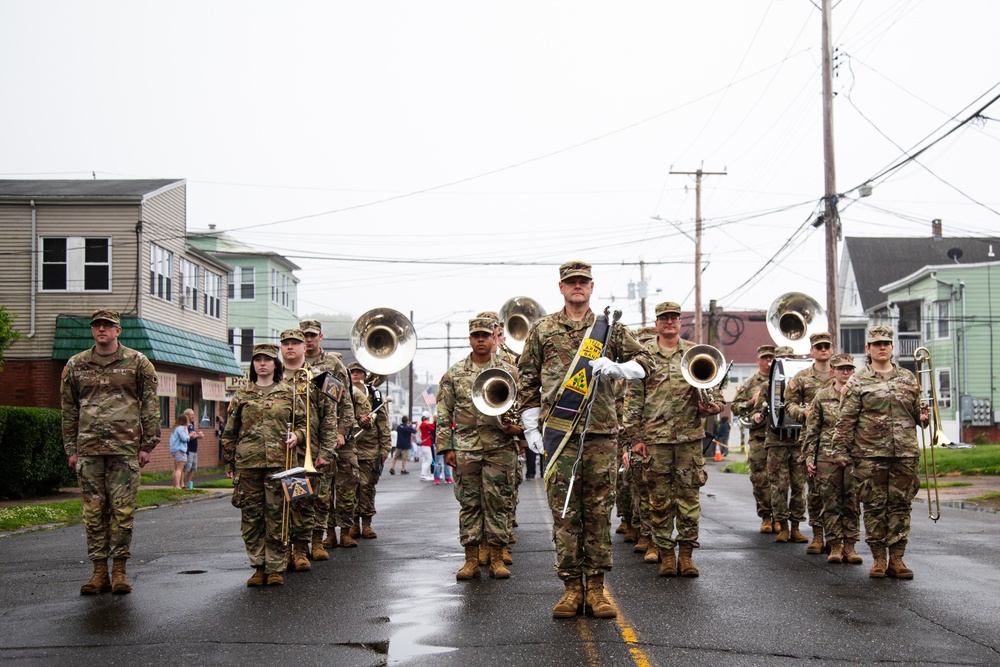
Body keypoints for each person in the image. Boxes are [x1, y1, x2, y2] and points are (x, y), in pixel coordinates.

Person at [517, 260, 652, 619]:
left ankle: (596, 589)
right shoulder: (542, 329)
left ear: (592, 287)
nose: (577, 287)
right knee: (564, 514)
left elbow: (646, 362)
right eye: (570, 282)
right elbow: (527, 379)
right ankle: (570, 589)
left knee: (597, 513)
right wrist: (531, 425)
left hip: (601, 433)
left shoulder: (609, 329)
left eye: (583, 282)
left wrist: (620, 367)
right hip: (560, 434)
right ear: (561, 287)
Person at [62, 309, 161, 595]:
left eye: (108, 326)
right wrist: (71, 448)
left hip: (124, 449)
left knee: (122, 511)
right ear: (92, 331)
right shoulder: (76, 365)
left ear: (118, 330)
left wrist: (147, 445)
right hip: (89, 450)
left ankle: (119, 571)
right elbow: (68, 410)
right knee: (94, 513)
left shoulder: (137, 363)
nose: (102, 329)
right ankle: (98, 573)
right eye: (97, 326)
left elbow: (150, 405)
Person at [625, 301, 723, 577]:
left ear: (680, 322)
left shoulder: (695, 353)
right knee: (659, 500)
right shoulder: (644, 358)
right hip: (655, 440)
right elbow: (633, 401)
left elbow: (713, 392)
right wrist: (634, 438)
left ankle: (687, 556)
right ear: (656, 323)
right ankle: (667, 555)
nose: (669, 322)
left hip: (690, 438)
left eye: (674, 318)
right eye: (664, 318)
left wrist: (713, 407)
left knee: (689, 500)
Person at [832, 326, 928, 579]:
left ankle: (897, 559)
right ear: (868, 349)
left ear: (892, 347)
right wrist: (840, 451)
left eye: (886, 342)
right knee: (874, 506)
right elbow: (846, 420)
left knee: (901, 505)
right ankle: (878, 559)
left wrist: (925, 416)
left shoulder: (908, 378)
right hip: (869, 455)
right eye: (876, 344)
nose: (882, 347)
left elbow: (920, 416)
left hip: (905, 453)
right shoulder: (858, 380)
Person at [437, 317, 522, 580]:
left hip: (500, 447)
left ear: (494, 337)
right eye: (476, 335)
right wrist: (446, 447)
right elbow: (443, 410)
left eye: (486, 335)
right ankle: (471, 560)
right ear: (470, 339)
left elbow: (524, 405)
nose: (481, 339)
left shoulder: (509, 370)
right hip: (466, 448)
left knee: (498, 502)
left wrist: (519, 429)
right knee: (470, 503)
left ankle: (497, 558)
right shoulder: (454, 373)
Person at [222, 343, 306, 587]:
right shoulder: (242, 394)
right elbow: (230, 431)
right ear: (253, 365)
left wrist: (297, 436)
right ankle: (258, 566)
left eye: (267, 359)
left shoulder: (289, 393)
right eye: (258, 359)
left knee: (278, 514)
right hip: (248, 463)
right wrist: (229, 461)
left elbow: (303, 425)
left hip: (280, 464)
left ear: (275, 364)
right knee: (251, 515)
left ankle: (276, 566)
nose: (262, 363)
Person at [279, 328, 336, 569]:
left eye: (296, 343)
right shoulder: (272, 375)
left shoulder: (323, 377)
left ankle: (301, 550)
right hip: (278, 453)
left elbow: (330, 418)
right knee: (279, 504)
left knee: (303, 501)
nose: (290, 347)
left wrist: (326, 452)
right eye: (286, 343)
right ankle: (282, 551)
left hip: (307, 453)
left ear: (305, 347)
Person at [300, 319, 357, 554]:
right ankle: (315, 539)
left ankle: (340, 532)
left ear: (320, 337)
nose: (308, 339)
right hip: (302, 438)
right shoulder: (292, 365)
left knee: (338, 487)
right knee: (303, 491)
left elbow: (343, 401)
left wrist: (342, 432)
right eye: (304, 335)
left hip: (331, 434)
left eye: (312, 335)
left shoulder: (331, 365)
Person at [801, 353, 862, 565]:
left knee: (852, 502)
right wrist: (810, 455)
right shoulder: (821, 396)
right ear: (833, 371)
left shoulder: (860, 394)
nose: (845, 372)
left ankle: (851, 546)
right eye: (841, 368)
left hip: (853, 455)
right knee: (830, 501)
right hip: (826, 457)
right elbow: (813, 429)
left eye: (849, 368)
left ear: (853, 370)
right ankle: (835, 545)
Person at [783, 331, 834, 554]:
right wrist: (803, 413)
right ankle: (817, 535)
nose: (823, 350)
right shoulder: (801, 378)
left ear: (831, 349)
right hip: (813, 440)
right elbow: (788, 405)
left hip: (837, 441)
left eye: (826, 346)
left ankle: (835, 537)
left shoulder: (843, 375)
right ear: (812, 351)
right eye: (819, 347)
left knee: (838, 492)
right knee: (814, 491)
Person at [756, 345, 808, 544]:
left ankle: (796, 527)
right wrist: (758, 414)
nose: (785, 360)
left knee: (798, 486)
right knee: (778, 486)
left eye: (789, 358)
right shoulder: (768, 385)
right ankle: (782, 526)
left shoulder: (802, 383)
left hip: (797, 441)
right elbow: (759, 411)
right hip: (776, 440)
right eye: (782, 358)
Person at [731, 345, 777, 533]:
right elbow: (735, 407)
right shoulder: (750, 383)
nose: (768, 361)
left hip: (779, 438)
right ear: (758, 360)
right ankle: (766, 516)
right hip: (759, 436)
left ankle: (782, 518)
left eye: (771, 358)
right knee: (760, 478)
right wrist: (752, 402)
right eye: (764, 358)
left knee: (781, 480)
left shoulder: (782, 381)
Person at [348, 362, 392, 539]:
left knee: (367, 487)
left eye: (359, 372)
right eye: (353, 372)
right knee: (350, 487)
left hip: (370, 448)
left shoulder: (375, 394)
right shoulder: (344, 392)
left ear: (365, 375)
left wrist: (385, 448)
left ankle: (366, 523)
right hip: (349, 447)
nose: (356, 375)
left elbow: (383, 423)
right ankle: (352, 524)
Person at [182, 409, 204, 489]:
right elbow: (188, 436)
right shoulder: (186, 425)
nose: (193, 416)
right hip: (189, 449)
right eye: (191, 414)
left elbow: (192, 435)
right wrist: (198, 436)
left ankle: (188, 484)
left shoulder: (191, 425)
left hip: (194, 450)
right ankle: (182, 484)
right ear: (187, 415)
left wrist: (197, 434)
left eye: (194, 414)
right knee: (186, 467)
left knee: (192, 468)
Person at [169, 413, 191, 489]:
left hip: (174, 449)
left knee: (176, 468)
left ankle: (175, 485)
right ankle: (177, 486)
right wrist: (189, 435)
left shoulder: (175, 428)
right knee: (179, 468)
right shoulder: (181, 428)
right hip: (180, 449)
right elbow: (184, 438)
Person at [418, 413, 435, 481]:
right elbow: (432, 429)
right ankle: (423, 474)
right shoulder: (425, 424)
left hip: (423, 444)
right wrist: (433, 423)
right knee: (429, 460)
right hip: (426, 444)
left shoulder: (422, 424)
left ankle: (423, 474)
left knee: (425, 460)